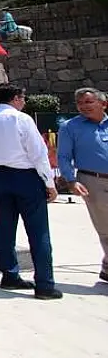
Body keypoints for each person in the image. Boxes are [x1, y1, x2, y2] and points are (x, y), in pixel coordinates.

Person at [0, 82, 62, 299]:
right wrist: (49, 183)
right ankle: (45, 284)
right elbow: (38, 153)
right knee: (38, 230)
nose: (24, 102)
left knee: (5, 226)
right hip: (25, 176)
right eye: (23, 98)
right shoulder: (21, 119)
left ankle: (9, 274)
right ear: (16, 98)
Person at [56, 87, 108, 283]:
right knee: (105, 227)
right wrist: (71, 181)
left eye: (88, 102)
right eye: (80, 103)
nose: (84, 107)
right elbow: (64, 156)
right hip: (92, 181)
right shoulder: (70, 127)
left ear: (103, 104)